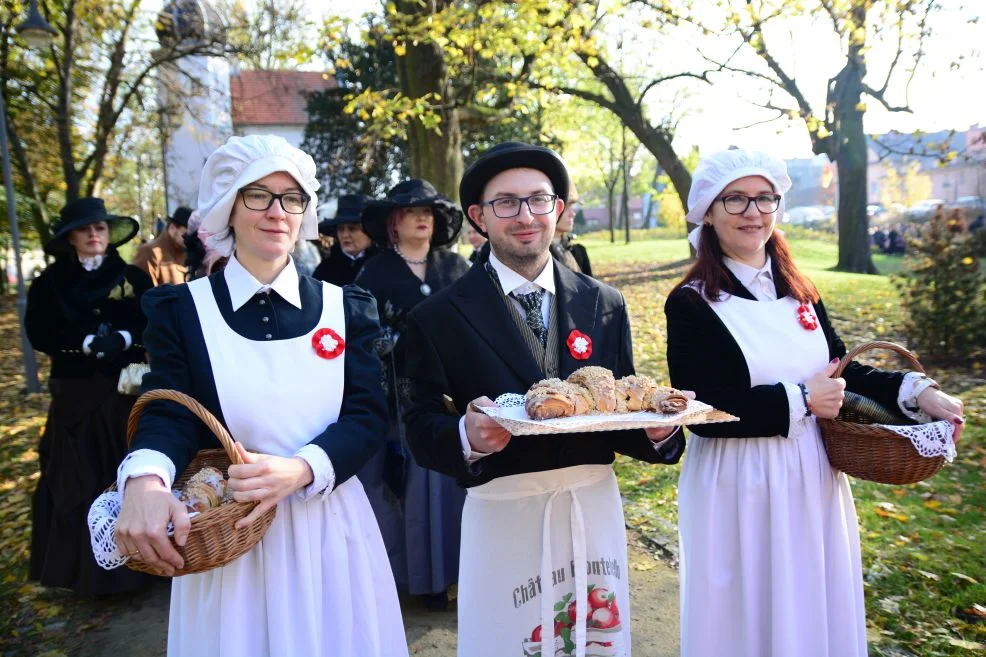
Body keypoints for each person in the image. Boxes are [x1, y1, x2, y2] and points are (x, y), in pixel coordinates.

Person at [112, 135, 407, 657]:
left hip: (327, 526)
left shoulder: (347, 306)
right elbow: (169, 407)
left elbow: (366, 415)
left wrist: (301, 470)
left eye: (291, 198)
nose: (277, 211)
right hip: (234, 540)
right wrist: (146, 478)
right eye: (259, 195)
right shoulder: (182, 309)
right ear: (228, 205)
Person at [665, 149, 966, 657]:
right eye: (735, 199)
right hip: (740, 483)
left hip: (811, 476)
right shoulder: (692, 302)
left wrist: (920, 392)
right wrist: (802, 399)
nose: (752, 211)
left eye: (764, 198)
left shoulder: (800, 291)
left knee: (808, 605)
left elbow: (843, 370)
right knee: (750, 612)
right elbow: (706, 413)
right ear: (708, 212)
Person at [402, 142, 685, 657]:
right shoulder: (436, 318)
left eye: (538, 200)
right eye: (505, 203)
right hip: (502, 513)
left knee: (595, 641)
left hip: (591, 505)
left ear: (558, 208)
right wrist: (467, 436)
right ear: (478, 217)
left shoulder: (604, 303)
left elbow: (619, 409)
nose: (525, 215)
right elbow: (417, 427)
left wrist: (660, 430)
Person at [25, 197, 153, 596]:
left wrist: (125, 338)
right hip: (75, 396)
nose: (94, 234)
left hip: (122, 394)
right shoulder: (49, 282)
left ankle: (143, 567)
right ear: (71, 238)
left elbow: (151, 320)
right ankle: (88, 576)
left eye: (100, 227)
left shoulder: (132, 275)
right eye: (85, 229)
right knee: (76, 478)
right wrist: (82, 342)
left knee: (127, 474)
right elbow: (40, 333)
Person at [355, 179, 470, 609]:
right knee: (409, 492)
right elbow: (361, 334)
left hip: (452, 397)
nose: (423, 218)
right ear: (393, 222)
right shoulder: (375, 273)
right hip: (397, 406)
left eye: (429, 211)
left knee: (454, 489)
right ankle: (420, 582)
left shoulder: (457, 267)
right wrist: (394, 343)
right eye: (411, 212)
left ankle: (460, 574)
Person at [312, 194, 379, 286]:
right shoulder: (325, 269)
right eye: (340, 229)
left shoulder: (385, 265)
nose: (345, 235)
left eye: (352, 229)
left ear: (369, 231)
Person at [132, 206, 191, 285]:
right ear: (172, 228)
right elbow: (145, 294)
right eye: (186, 233)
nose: (191, 238)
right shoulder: (149, 252)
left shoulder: (186, 253)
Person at [550, 181, 593, 276]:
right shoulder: (538, 256)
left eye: (572, 206)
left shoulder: (579, 252)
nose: (573, 213)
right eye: (566, 207)